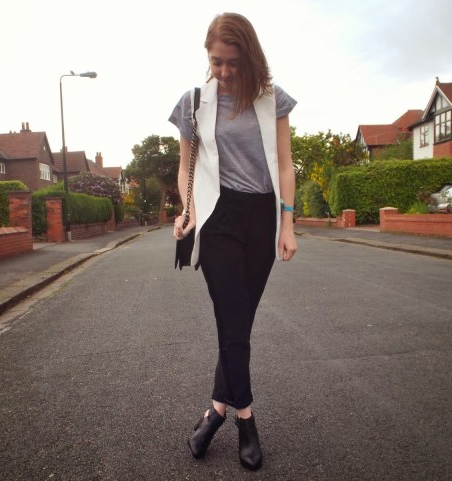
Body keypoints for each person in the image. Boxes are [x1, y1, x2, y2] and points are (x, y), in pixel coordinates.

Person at [168, 12, 298, 471]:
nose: (223, 71)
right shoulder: (193, 104)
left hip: (262, 217)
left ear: (250, 58)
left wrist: (287, 223)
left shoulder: (273, 100)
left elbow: (285, 164)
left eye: (233, 63)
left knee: (238, 324)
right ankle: (246, 419)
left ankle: (216, 410)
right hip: (218, 217)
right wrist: (188, 211)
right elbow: (185, 166)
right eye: (216, 61)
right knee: (232, 316)